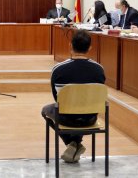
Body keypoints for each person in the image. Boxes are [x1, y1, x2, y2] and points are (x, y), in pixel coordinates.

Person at [41, 30, 105, 163]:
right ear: (89, 48)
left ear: (70, 46)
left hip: (66, 118)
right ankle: (75, 143)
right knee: (82, 107)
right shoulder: (99, 69)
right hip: (90, 118)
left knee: (46, 110)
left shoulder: (58, 69)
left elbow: (56, 97)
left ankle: (72, 143)